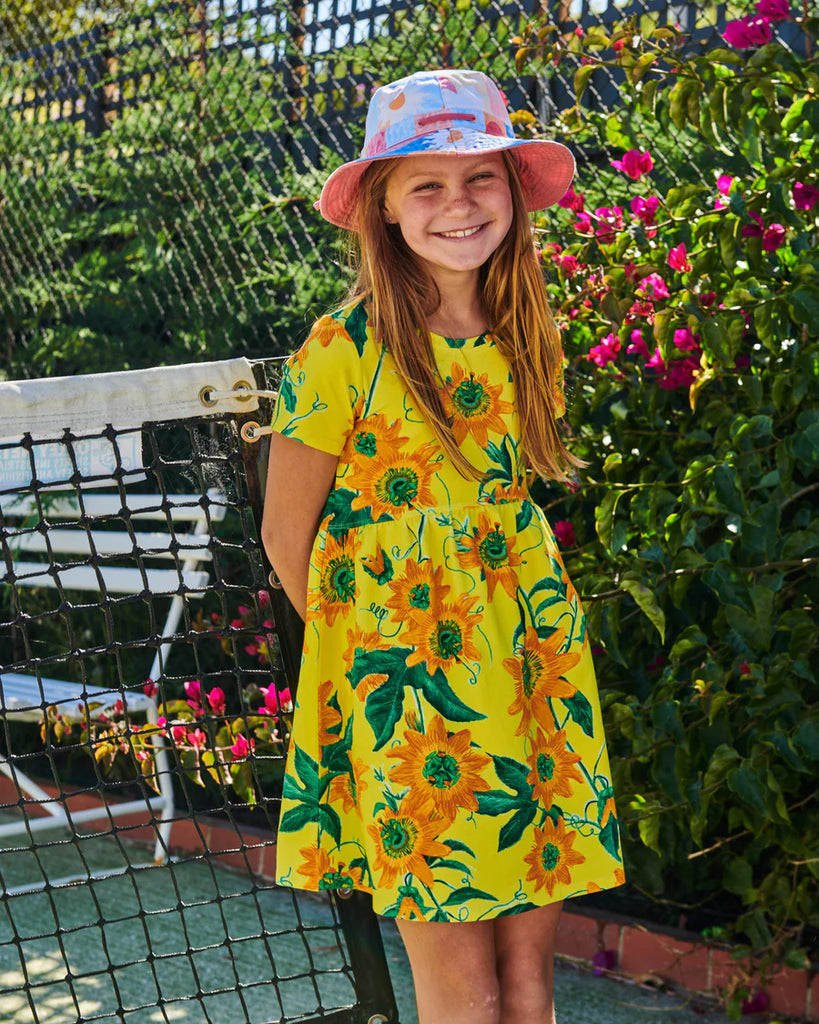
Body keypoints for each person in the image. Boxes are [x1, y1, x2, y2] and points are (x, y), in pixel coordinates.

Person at [261, 68, 625, 1024]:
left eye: (480, 179)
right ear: (382, 208)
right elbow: (283, 530)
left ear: (512, 187)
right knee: (460, 989)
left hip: (530, 667)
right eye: (426, 185)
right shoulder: (344, 346)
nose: (458, 206)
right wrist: (378, 667)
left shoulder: (519, 328)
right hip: (417, 702)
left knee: (528, 981)